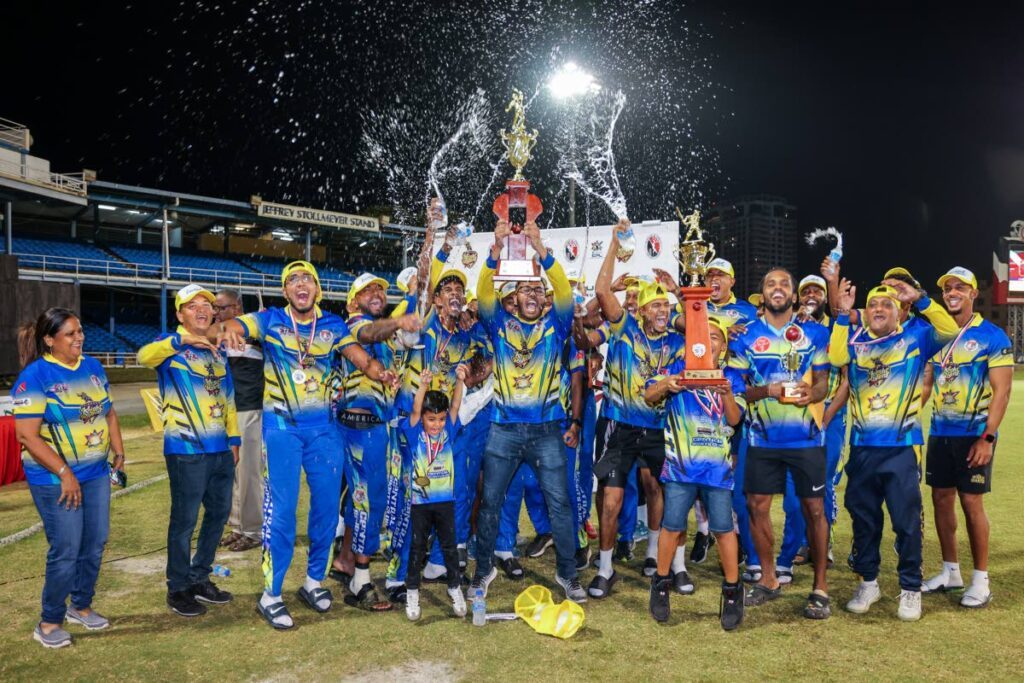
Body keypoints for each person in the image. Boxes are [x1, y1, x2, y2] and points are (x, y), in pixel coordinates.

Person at [215, 260, 392, 629]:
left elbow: (360, 359)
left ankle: (314, 582)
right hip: (283, 429)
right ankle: (272, 593)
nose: (301, 284)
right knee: (281, 513)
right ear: (285, 290)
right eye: (293, 279)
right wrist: (229, 329)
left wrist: (380, 372)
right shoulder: (269, 319)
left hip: (324, 431)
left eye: (307, 279)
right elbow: (234, 324)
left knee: (327, 509)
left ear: (317, 289)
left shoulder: (333, 325)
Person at [471, 218, 586, 603]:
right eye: (524, 289)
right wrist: (494, 253)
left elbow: (566, 291)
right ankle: (483, 571)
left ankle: (568, 575)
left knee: (560, 505)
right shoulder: (498, 323)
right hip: (503, 430)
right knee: (490, 504)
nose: (532, 293)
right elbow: (483, 294)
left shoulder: (558, 322)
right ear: (513, 299)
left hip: (547, 430)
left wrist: (542, 252)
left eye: (538, 288)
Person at [830, 280, 955, 621]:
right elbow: (836, 356)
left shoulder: (915, 338)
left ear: (899, 311)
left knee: (906, 522)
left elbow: (949, 329)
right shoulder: (855, 343)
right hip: (862, 449)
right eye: (873, 306)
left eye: (887, 305)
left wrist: (921, 299)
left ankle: (910, 588)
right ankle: (869, 583)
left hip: (901, 448)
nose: (879, 310)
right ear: (866, 312)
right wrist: (843, 315)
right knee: (864, 521)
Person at [13, 308, 126, 648]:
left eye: (80, 331)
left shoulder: (91, 366)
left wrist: (118, 454)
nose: (79, 338)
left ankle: (81, 605)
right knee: (66, 548)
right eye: (70, 334)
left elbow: (108, 412)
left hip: (94, 473)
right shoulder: (35, 377)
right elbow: (27, 436)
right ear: (49, 340)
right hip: (54, 480)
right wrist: (64, 472)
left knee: (95, 543)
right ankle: (48, 622)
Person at [728, 268, 832, 619]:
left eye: (784, 284)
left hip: (806, 438)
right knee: (757, 507)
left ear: (793, 294)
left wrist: (811, 393)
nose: (777, 289)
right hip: (761, 438)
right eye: (770, 284)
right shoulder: (745, 336)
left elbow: (823, 384)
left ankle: (820, 587)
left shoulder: (814, 334)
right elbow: (737, 386)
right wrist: (767, 390)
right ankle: (769, 578)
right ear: (762, 293)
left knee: (814, 510)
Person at [590, 223, 686, 599]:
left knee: (660, 490)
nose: (662, 310)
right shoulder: (625, 328)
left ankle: (664, 561)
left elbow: (699, 331)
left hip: (661, 428)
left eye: (666, 305)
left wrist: (678, 295)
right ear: (642, 309)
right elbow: (601, 292)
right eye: (655, 305)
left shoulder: (678, 341)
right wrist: (614, 245)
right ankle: (605, 568)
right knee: (611, 500)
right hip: (619, 425)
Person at [138, 285, 241, 617]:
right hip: (185, 450)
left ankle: (200, 577)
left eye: (207, 305)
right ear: (180, 314)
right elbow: (143, 356)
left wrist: (234, 439)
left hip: (220, 450)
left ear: (214, 313)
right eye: (192, 305)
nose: (201, 309)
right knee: (184, 521)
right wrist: (180, 341)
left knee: (218, 514)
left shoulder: (217, 352)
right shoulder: (169, 348)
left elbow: (227, 400)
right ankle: (178, 587)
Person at [644, 319, 746, 629]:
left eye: (716, 337)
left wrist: (727, 392)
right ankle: (661, 584)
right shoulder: (678, 369)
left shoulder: (732, 377)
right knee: (671, 526)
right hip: (681, 468)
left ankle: (732, 590)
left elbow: (735, 418)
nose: (709, 341)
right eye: (704, 336)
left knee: (723, 528)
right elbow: (649, 395)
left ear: (723, 346)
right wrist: (668, 384)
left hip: (716, 470)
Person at [921, 267, 1012, 607]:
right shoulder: (937, 335)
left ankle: (981, 580)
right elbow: (928, 384)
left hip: (974, 434)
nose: (952, 292)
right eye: (947, 288)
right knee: (941, 499)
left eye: (960, 287)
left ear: (974, 293)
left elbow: (1002, 393)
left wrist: (987, 438)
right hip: (941, 430)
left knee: (971, 501)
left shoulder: (992, 336)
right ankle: (950, 570)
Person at [335, 272, 419, 611]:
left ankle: (344, 561)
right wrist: (400, 317)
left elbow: (397, 325)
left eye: (381, 290)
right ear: (353, 300)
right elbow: (371, 331)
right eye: (367, 289)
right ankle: (362, 581)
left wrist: (414, 294)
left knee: (361, 502)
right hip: (358, 427)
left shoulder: (385, 331)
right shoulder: (354, 324)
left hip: (374, 428)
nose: (376, 293)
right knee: (370, 503)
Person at [402, 367, 468, 620]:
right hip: (420, 502)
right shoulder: (415, 431)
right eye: (432, 419)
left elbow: (455, 406)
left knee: (450, 548)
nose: (437, 424)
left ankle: (454, 588)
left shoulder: (448, 431)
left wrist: (460, 381)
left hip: (445, 502)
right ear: (423, 419)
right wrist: (422, 386)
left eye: (440, 419)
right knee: (417, 548)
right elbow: (416, 409)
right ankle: (412, 591)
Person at [214, 288, 265, 553]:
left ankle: (254, 529)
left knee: (249, 473)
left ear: (236, 308)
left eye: (221, 308)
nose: (216, 313)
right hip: (230, 412)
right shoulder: (221, 334)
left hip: (250, 409)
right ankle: (238, 526)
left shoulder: (254, 332)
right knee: (235, 472)